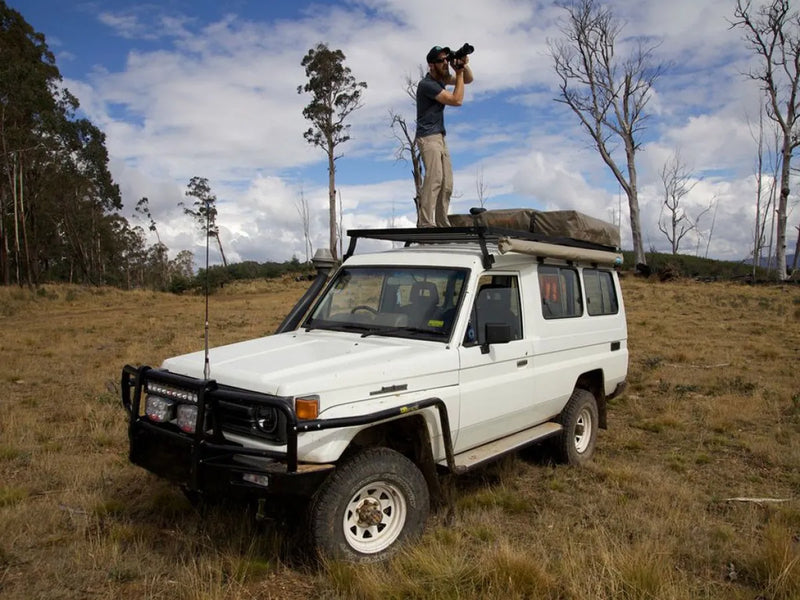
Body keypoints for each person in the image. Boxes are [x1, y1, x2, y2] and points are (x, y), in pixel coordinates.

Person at [415, 45, 473, 228]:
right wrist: (460, 75)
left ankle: (441, 223)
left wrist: (463, 65)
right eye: (441, 61)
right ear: (431, 65)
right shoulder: (427, 84)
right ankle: (425, 223)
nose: (445, 63)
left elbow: (469, 79)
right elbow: (457, 100)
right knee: (434, 179)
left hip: (440, 136)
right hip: (428, 137)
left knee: (447, 182)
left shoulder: (443, 78)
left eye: (446, 59)